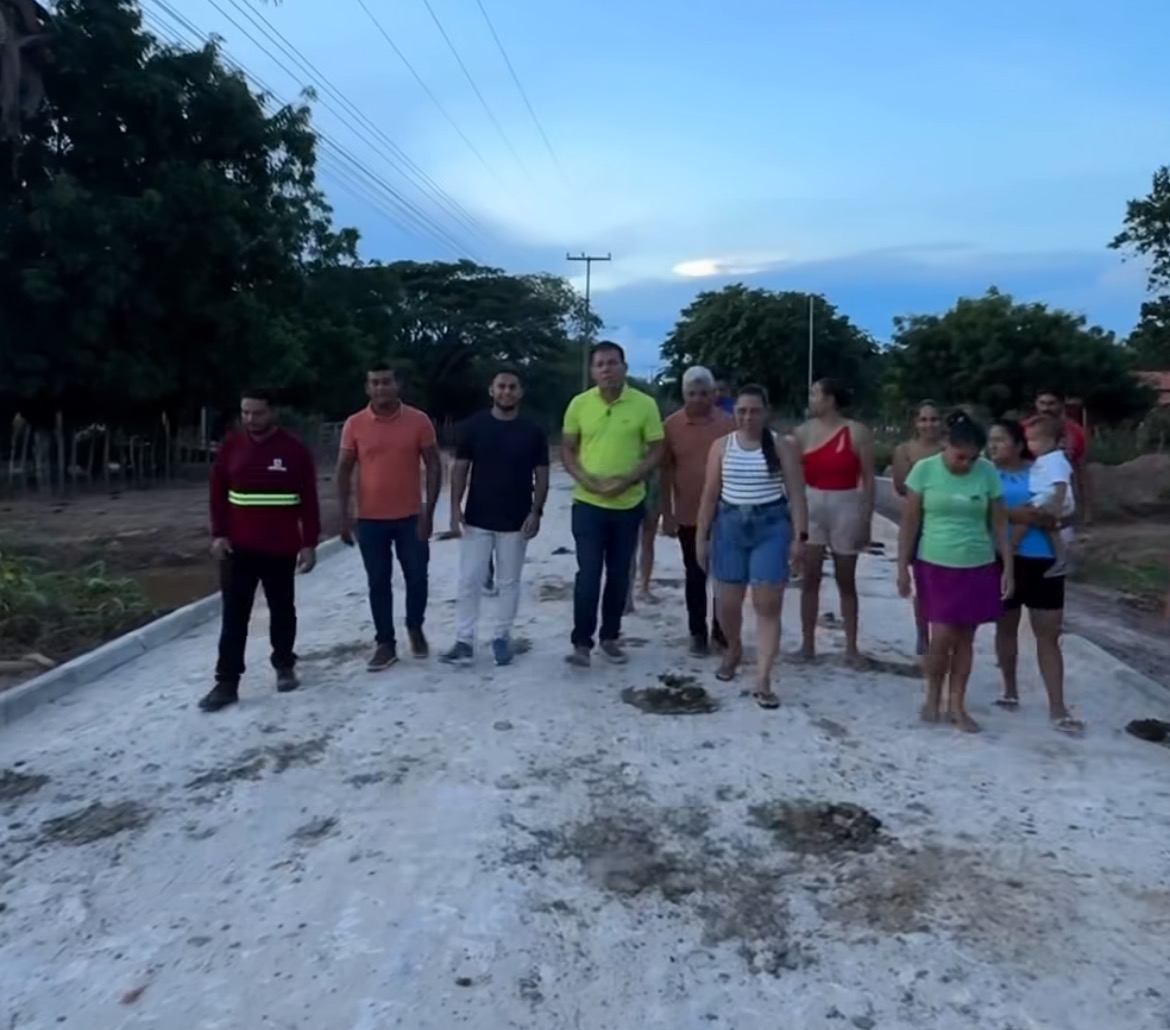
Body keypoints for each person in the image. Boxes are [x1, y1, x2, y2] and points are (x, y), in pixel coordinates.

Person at [200, 389, 320, 713]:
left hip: (281, 549)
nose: (251, 419)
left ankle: (284, 665)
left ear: (273, 412)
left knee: (283, 611)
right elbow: (217, 495)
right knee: (234, 617)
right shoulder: (231, 448)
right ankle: (226, 682)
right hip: (238, 551)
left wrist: (309, 542)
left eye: (258, 413)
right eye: (246, 413)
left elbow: (308, 500)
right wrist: (219, 535)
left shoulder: (294, 451)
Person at [897, 411, 1013, 733]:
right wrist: (901, 567)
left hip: (977, 563)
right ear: (948, 445)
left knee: (966, 638)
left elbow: (999, 524)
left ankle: (957, 703)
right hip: (935, 562)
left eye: (973, 458)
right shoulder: (924, 471)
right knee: (942, 636)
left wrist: (1008, 568)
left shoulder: (987, 473)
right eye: (961, 457)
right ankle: (932, 694)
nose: (966, 464)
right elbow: (910, 522)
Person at [695, 385, 808, 708]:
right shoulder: (721, 446)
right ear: (734, 412)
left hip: (771, 527)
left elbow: (797, 495)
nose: (747, 417)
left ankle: (763, 677)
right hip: (729, 527)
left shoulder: (782, 446)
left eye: (754, 411)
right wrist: (702, 537)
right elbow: (709, 494)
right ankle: (733, 648)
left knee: (767, 603)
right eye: (742, 411)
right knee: (726, 605)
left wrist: (800, 538)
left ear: (765, 412)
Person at [561, 341, 664, 667]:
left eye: (613, 363)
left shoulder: (645, 405)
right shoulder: (579, 404)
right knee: (588, 575)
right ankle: (581, 643)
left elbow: (656, 450)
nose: (607, 369)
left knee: (619, 575)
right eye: (600, 364)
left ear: (624, 366)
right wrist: (585, 479)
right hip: (587, 504)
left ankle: (610, 637)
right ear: (592, 371)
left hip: (628, 505)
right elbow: (567, 448)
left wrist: (630, 479)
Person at [440, 368, 549, 667]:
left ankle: (501, 638)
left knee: (509, 582)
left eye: (512, 387)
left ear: (520, 391)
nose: (506, 392)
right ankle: (464, 641)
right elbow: (460, 469)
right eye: (501, 386)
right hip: (477, 518)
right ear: (491, 390)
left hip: (516, 520)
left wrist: (536, 511)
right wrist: (454, 510)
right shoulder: (474, 426)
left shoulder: (532, 431)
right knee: (469, 580)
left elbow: (542, 474)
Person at [338, 362, 442, 670]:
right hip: (370, 520)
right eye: (375, 383)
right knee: (378, 581)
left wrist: (429, 511)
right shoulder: (355, 424)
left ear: (398, 385)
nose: (381, 388)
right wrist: (345, 516)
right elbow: (343, 471)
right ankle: (385, 643)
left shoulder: (419, 421)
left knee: (417, 577)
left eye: (386, 382)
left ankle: (415, 626)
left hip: (411, 516)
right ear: (367, 388)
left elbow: (435, 466)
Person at [987, 420, 1084, 735]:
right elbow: (984, 511)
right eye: (991, 441)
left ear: (1019, 444)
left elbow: (1067, 509)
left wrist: (1045, 517)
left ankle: (1057, 705)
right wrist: (1018, 516)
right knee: (1006, 628)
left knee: (1048, 634)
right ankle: (1009, 689)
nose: (993, 446)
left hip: (1043, 559)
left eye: (1000, 440)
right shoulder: (987, 474)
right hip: (1004, 559)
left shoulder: (1043, 469)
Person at [794, 378, 875, 666]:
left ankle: (851, 647)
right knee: (810, 579)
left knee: (845, 579)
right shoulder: (802, 433)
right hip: (813, 502)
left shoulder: (856, 432)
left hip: (846, 505)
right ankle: (807, 645)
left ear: (830, 399)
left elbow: (868, 479)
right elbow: (793, 480)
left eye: (815, 394)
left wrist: (866, 520)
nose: (811, 399)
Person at [660, 365, 734, 655]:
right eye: (692, 393)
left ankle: (721, 630)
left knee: (725, 575)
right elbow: (665, 472)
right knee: (694, 574)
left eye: (704, 393)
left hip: (725, 513)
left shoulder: (729, 424)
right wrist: (667, 512)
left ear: (714, 394)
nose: (698, 399)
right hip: (689, 515)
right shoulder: (671, 426)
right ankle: (697, 632)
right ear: (683, 394)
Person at [891, 400, 944, 659]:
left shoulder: (950, 449)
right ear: (915, 423)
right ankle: (923, 634)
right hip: (918, 519)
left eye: (933, 419)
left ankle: (944, 632)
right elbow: (901, 486)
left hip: (946, 521)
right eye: (923, 419)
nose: (928, 424)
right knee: (922, 583)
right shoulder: (905, 450)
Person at [1024, 389, 1091, 522]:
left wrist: (1086, 508)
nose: (1046, 408)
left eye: (1051, 404)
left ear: (1061, 405)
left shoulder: (1075, 432)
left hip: (1059, 498)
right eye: (1042, 403)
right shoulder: (1025, 428)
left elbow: (1080, 469)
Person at [1020, 415, 1075, 577]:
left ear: (1052, 440)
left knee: (1024, 515)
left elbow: (1061, 484)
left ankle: (1062, 559)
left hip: (1051, 498)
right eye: (1029, 440)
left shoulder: (1056, 460)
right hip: (1044, 497)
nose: (1031, 445)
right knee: (1050, 529)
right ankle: (1061, 558)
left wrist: (1056, 507)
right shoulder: (1044, 459)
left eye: (1035, 440)